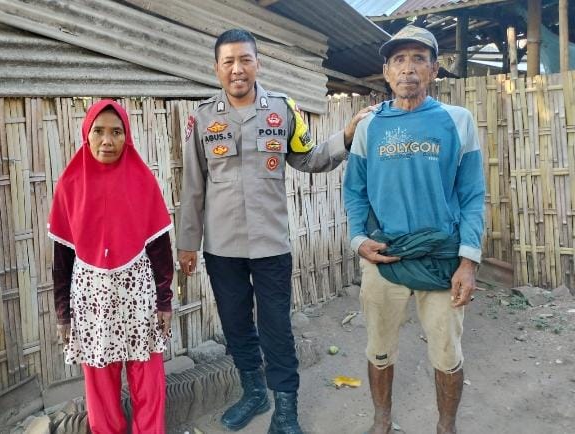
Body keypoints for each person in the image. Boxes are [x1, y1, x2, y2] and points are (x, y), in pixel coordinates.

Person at [177, 28, 371, 434]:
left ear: (257, 64)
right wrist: (187, 244)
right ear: (217, 69)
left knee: (277, 328)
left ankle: (286, 410)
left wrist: (346, 136)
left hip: (270, 245)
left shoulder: (283, 110)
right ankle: (253, 392)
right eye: (228, 61)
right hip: (222, 247)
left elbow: (310, 158)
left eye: (245, 59)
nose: (237, 69)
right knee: (235, 325)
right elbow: (193, 185)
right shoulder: (203, 117)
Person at [343, 25, 485, 434]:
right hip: (384, 256)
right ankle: (382, 421)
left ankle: (446, 427)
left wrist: (468, 261)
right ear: (387, 72)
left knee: (447, 353)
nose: (408, 68)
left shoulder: (457, 121)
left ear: (434, 70)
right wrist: (358, 240)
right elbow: (354, 191)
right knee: (379, 348)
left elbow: (472, 194)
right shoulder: (370, 125)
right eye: (399, 60)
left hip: (442, 258)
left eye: (419, 59)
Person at [49, 99, 174, 434]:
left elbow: (160, 250)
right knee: (100, 383)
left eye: (117, 132)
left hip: (138, 295)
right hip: (91, 300)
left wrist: (164, 301)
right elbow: (62, 260)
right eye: (99, 131)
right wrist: (63, 314)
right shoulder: (69, 185)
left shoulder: (143, 181)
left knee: (147, 375)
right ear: (86, 135)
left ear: (126, 136)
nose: (108, 140)